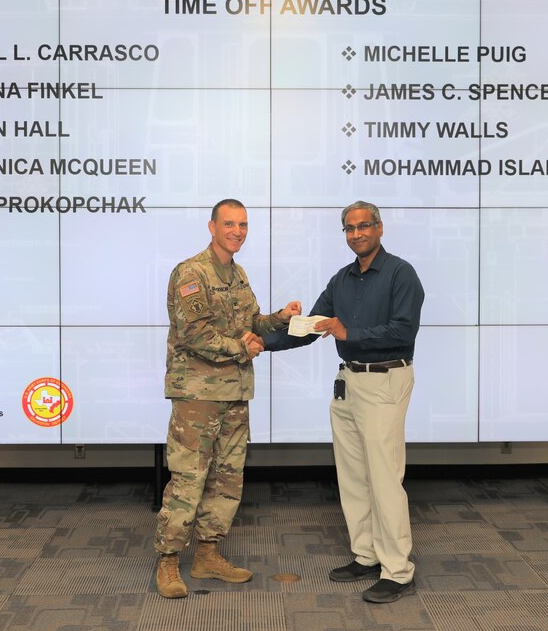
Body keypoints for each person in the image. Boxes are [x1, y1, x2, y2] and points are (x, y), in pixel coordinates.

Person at [264, 200, 424, 603]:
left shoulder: (402, 274)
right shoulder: (342, 279)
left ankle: (398, 571)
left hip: (385, 379)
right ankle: (367, 554)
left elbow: (402, 331)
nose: (356, 234)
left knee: (385, 478)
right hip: (348, 383)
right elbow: (310, 327)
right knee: (353, 475)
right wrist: (262, 342)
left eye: (363, 226)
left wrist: (347, 332)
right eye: (349, 229)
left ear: (380, 228)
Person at [154, 198, 301, 599]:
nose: (238, 231)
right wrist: (242, 348)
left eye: (243, 225)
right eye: (230, 224)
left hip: (235, 393)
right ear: (212, 226)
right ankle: (168, 560)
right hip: (197, 396)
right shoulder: (191, 272)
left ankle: (207, 554)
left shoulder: (237, 274)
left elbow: (251, 323)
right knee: (188, 479)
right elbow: (194, 334)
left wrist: (279, 318)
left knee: (227, 479)